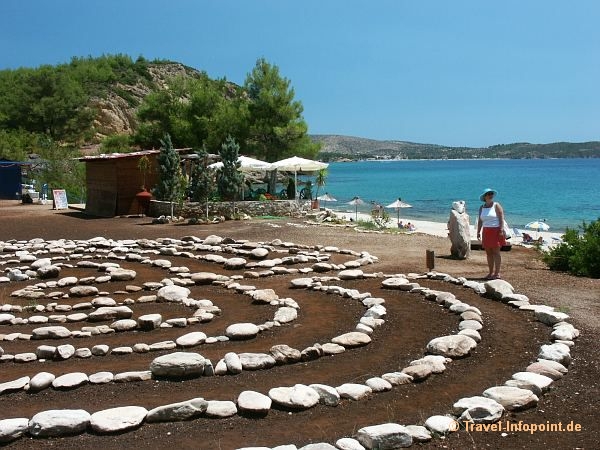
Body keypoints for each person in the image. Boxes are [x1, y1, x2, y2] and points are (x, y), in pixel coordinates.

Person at [476, 188, 506, 279]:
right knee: (488, 253)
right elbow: (480, 221)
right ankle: (490, 273)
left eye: (491, 193)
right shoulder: (482, 207)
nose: (490, 195)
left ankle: (497, 273)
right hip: (486, 231)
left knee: (496, 252)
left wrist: (501, 229)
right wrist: (478, 231)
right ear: (485, 196)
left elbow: (501, 218)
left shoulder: (496, 205)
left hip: (496, 230)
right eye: (488, 193)